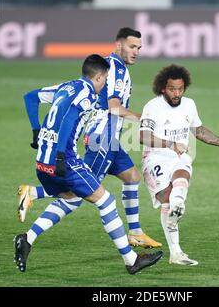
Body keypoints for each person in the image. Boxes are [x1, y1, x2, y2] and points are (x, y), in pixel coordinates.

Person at [13, 54, 163, 275]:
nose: (105, 85)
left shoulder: (67, 86)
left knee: (71, 199)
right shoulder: (87, 95)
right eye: (105, 80)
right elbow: (68, 121)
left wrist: (36, 130)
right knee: (107, 203)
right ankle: (131, 260)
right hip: (65, 160)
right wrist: (63, 156)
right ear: (100, 77)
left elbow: (30, 97)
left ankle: (27, 239)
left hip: (42, 162)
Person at [139, 65, 219, 266]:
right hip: (155, 157)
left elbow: (200, 132)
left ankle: (178, 209)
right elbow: (143, 136)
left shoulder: (189, 105)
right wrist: (171, 144)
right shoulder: (152, 107)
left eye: (180, 89)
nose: (177, 93)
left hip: (179, 155)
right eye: (172, 89)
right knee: (166, 200)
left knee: (182, 171)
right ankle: (175, 248)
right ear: (163, 88)